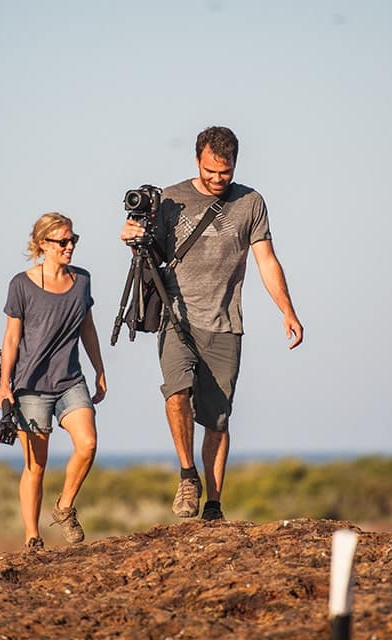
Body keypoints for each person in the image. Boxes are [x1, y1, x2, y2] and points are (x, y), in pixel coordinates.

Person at [120, 126, 303, 522]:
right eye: (209, 172)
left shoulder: (251, 203)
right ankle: (188, 476)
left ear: (235, 163)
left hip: (224, 323)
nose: (218, 180)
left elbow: (266, 260)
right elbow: (148, 252)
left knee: (217, 421)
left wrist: (287, 310)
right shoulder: (170, 199)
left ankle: (214, 506)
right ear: (196, 160)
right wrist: (132, 235)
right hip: (176, 315)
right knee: (176, 393)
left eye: (225, 172)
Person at [0, 212, 106, 550]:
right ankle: (32, 537)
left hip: (70, 381)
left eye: (73, 240)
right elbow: (12, 339)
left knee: (87, 444)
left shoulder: (82, 281)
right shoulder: (22, 285)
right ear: (43, 244)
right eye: (63, 241)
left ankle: (64, 507)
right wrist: (4, 385)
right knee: (36, 466)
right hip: (30, 387)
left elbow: (87, 327)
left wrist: (100, 370)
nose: (70, 246)